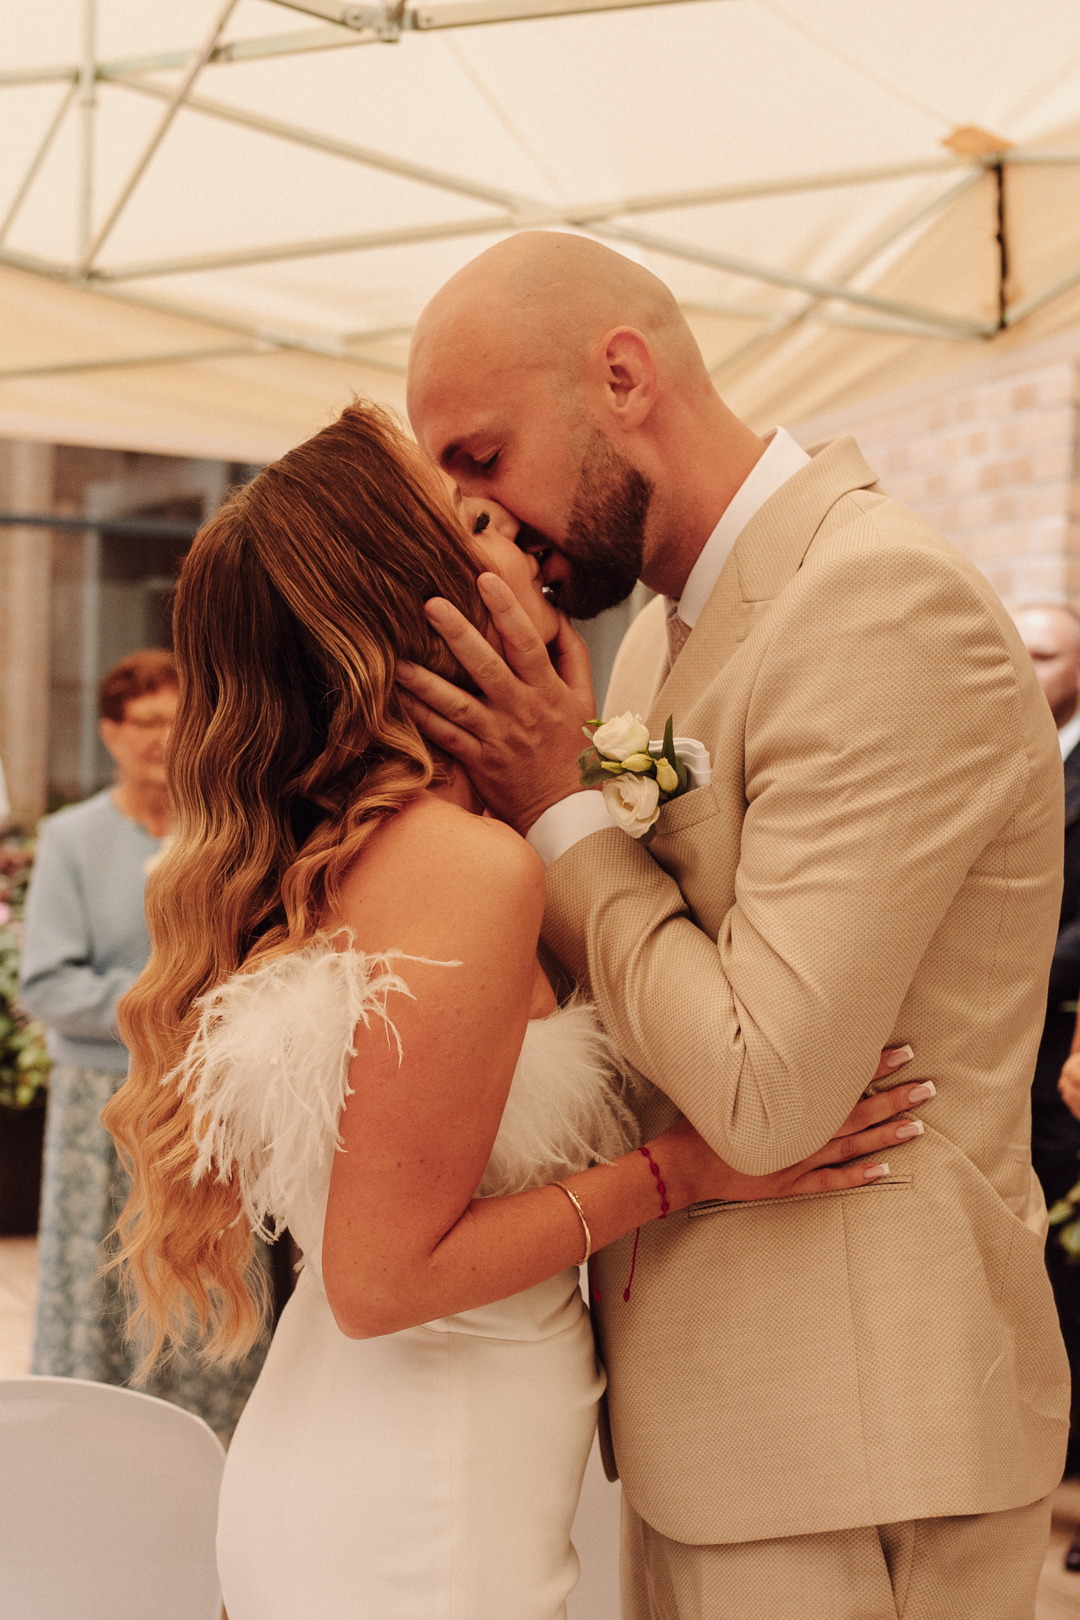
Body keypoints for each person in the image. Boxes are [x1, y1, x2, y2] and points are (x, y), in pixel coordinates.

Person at [102, 402, 929, 1620]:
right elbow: (383, 1278)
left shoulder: (393, 845)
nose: (523, 535)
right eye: (472, 519)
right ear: (420, 600)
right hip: (422, 1492)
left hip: (398, 1454)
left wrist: (571, 768)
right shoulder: (460, 869)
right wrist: (686, 1172)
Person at [398, 230, 1070, 1620]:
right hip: (709, 1427)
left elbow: (766, 1092)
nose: (479, 513)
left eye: (484, 456)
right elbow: (640, 999)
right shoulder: (656, 637)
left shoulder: (878, 600)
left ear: (624, 376)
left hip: (862, 1442)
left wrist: (558, 805)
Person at [20, 649, 265, 1440]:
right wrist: (167, 1004)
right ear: (111, 733)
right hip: (103, 1104)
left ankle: (211, 1443)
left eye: (178, 720)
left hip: (207, 1101)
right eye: (146, 721)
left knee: (205, 1280)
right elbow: (47, 986)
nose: (164, 738)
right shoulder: (72, 838)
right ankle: (87, 1445)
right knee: (101, 1281)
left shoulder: (227, 830)